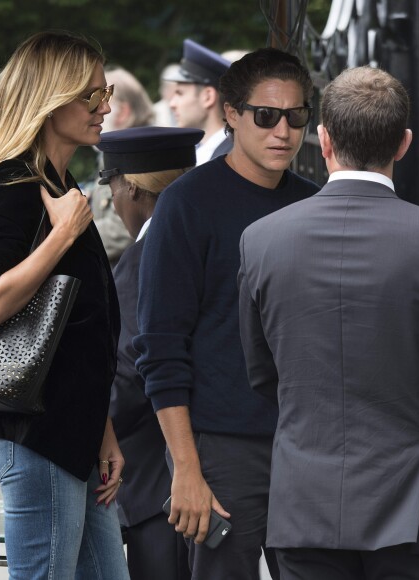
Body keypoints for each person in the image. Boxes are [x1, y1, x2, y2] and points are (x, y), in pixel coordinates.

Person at [238, 65, 419, 580]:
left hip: (305, 499)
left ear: (323, 139)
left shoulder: (261, 239)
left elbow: (261, 373)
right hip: (418, 503)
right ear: (403, 144)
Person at [134, 48, 320, 580]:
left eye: (297, 116)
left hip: (306, 445)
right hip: (219, 446)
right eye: (266, 115)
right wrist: (187, 468)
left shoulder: (313, 204)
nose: (283, 130)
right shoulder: (186, 203)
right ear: (232, 114)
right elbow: (159, 346)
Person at [0, 31, 130, 580]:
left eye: (107, 92)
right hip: (35, 430)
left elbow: (78, 332)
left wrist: (103, 431)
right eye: (91, 96)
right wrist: (62, 235)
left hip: (69, 428)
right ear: (52, 100)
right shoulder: (15, 182)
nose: (106, 107)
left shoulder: (57, 180)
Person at [97, 126, 203, 580]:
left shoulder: (143, 261)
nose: (113, 202)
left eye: (112, 188)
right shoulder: (206, 242)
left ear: (132, 187)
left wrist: (85, 430)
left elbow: (128, 377)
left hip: (160, 486)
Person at [85, 66, 155, 267]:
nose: (95, 110)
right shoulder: (115, 154)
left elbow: (123, 228)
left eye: (101, 101)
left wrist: (67, 234)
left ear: (123, 112)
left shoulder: (137, 156)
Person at [164, 39, 232, 164]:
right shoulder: (201, 152)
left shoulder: (231, 158)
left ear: (208, 97)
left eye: (180, 93)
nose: (172, 104)